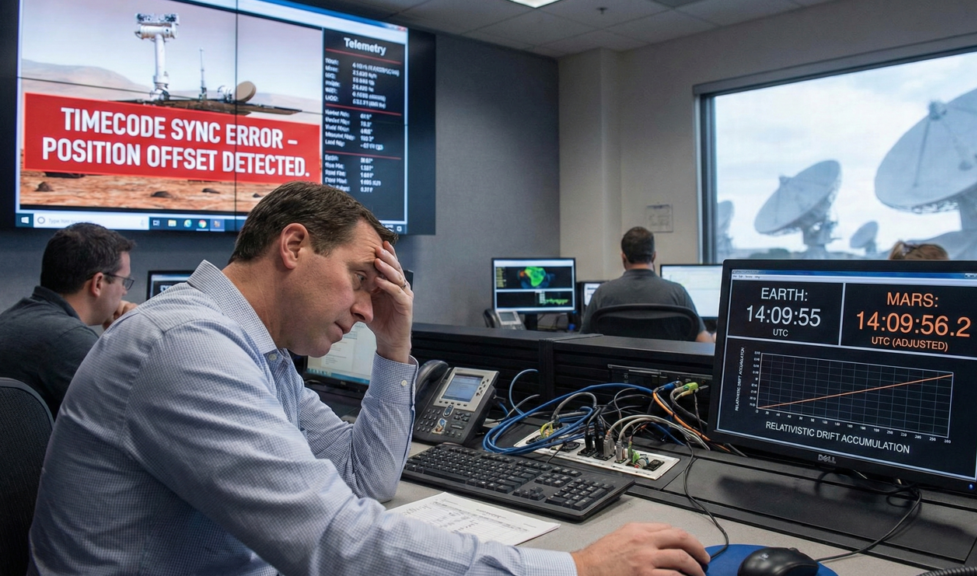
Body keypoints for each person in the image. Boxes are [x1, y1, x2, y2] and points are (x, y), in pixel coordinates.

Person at [29, 182, 710, 576]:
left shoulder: (253, 353)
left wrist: (393, 346)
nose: (365, 306)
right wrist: (573, 569)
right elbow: (335, 541)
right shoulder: (187, 348)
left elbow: (366, 483)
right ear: (293, 246)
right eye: (361, 279)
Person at [0, 222, 135, 416]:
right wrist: (132, 336)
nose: (124, 291)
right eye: (124, 281)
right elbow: (126, 417)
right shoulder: (68, 339)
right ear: (98, 283)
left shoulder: (14, 318)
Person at [581, 226, 715, 343]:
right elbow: (704, 343)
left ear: (623, 257)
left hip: (615, 370)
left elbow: (582, 341)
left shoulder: (602, 293)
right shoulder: (677, 293)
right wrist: (714, 337)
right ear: (654, 256)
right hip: (665, 370)